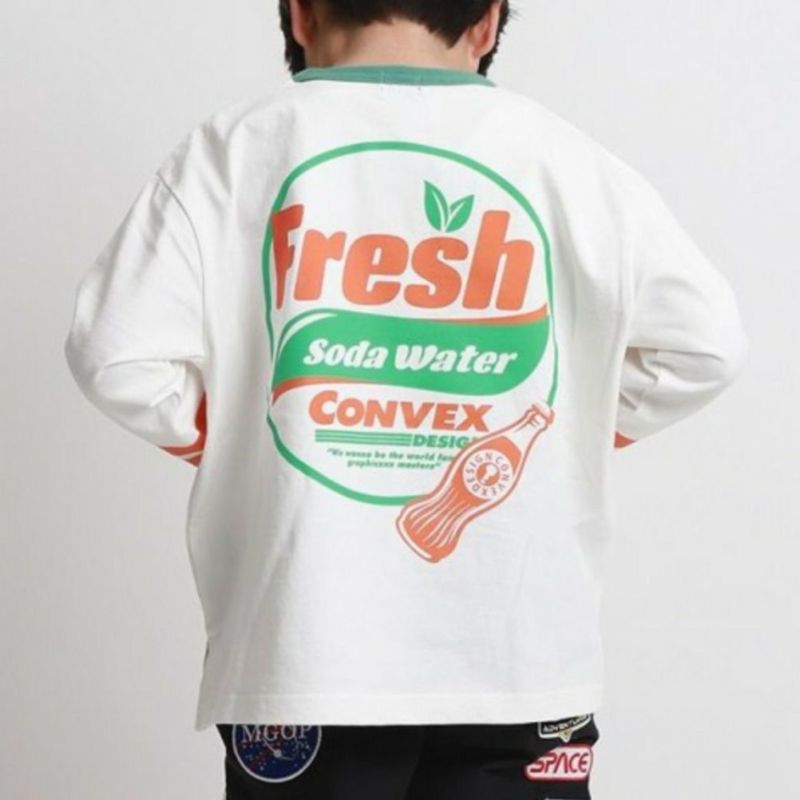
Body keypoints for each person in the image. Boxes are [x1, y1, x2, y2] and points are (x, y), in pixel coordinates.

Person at [63, 1, 750, 797]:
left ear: (300, 15)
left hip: (305, 656)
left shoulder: (235, 147)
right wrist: (570, 424)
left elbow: (112, 353)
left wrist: (258, 436)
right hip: (521, 660)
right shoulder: (568, 160)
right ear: (488, 23)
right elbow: (706, 345)